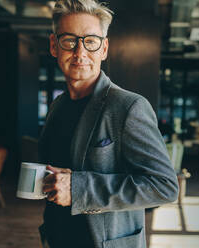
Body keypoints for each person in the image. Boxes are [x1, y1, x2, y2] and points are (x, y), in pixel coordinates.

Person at [38, 0, 179, 247]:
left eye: (90, 41)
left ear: (104, 49)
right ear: (54, 45)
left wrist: (79, 189)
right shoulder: (57, 106)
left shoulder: (128, 107)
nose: (80, 53)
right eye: (69, 40)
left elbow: (164, 186)